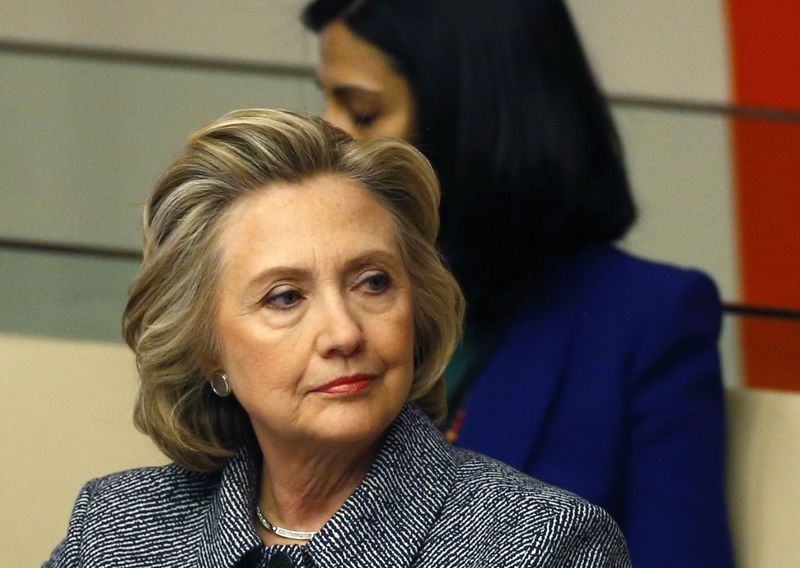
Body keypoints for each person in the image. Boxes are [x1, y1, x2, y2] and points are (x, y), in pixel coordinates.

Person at [44, 109, 630, 567]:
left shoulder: (543, 546)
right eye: (285, 297)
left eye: (373, 283)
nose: (345, 333)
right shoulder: (117, 528)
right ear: (206, 350)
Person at [302, 1, 734, 566]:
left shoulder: (646, 320)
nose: (328, 140)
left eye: (361, 113)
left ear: (473, 119)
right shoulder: (299, 306)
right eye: (326, 100)